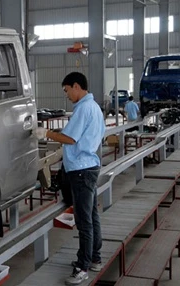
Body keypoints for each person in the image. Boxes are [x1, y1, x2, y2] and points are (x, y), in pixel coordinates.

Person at [33, 72, 105, 285]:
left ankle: (82, 267)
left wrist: (45, 133)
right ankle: (95, 258)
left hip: (81, 170)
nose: (66, 95)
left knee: (84, 221)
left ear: (76, 86)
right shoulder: (95, 108)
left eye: (66, 90)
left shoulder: (83, 108)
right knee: (91, 216)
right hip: (90, 166)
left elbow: (70, 138)